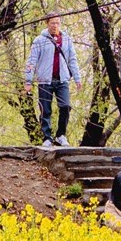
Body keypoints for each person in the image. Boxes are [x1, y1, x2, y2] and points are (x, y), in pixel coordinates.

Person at [26, 15, 81, 148]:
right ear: (47, 23)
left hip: (62, 79)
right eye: (52, 23)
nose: (55, 26)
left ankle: (61, 135)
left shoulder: (66, 39)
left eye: (57, 23)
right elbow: (31, 61)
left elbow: (72, 59)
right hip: (45, 80)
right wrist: (28, 80)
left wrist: (77, 78)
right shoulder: (39, 40)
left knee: (65, 106)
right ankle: (47, 137)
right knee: (45, 110)